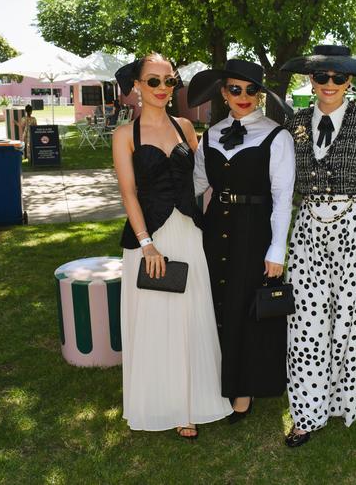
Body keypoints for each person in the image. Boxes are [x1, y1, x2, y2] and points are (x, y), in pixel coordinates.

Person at [112, 53, 232, 439]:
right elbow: (128, 193)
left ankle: (188, 404)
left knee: (190, 318)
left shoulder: (185, 127)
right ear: (136, 86)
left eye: (170, 81)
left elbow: (202, 180)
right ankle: (159, 401)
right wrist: (147, 244)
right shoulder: (124, 135)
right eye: (154, 81)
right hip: (148, 238)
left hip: (189, 233)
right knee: (153, 320)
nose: (164, 88)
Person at [280, 45, 356, 447]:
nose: (329, 84)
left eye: (338, 77)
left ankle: (348, 402)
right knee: (306, 323)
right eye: (321, 76)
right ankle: (308, 413)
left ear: (349, 81)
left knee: (350, 321)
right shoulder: (294, 123)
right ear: (311, 80)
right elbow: (283, 182)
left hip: (354, 232)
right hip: (308, 230)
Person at [187, 59, 295, 422]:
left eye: (252, 90)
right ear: (223, 92)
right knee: (216, 303)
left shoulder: (277, 136)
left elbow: (283, 197)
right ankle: (217, 379)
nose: (244, 96)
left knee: (246, 309)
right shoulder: (211, 133)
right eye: (236, 89)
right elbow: (198, 183)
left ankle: (244, 391)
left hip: (255, 231)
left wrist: (276, 249)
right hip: (215, 228)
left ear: (261, 94)